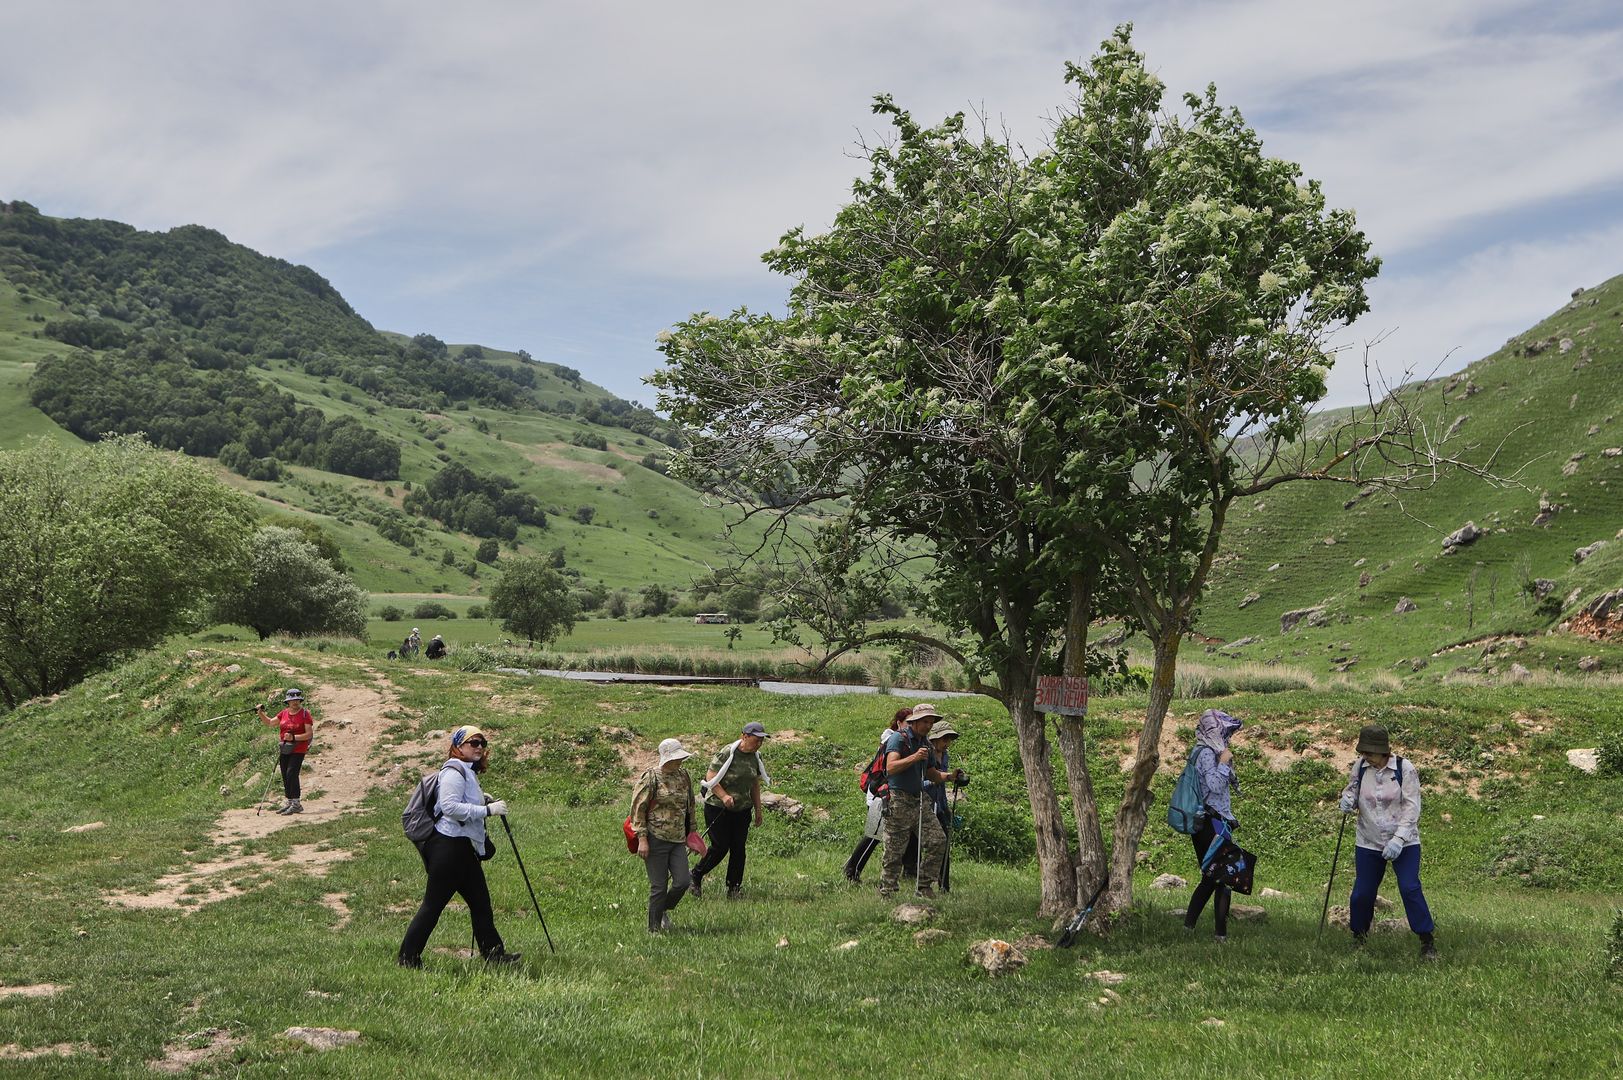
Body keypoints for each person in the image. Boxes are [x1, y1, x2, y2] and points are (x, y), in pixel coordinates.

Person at [398, 725, 520, 968]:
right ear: (458, 746)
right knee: (433, 906)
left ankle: (494, 955)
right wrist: (487, 810)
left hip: (463, 849)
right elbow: (451, 808)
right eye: (472, 743)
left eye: (481, 743)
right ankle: (407, 958)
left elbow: (458, 803)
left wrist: (480, 800)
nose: (478, 747)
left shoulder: (466, 771)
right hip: (449, 848)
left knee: (481, 903)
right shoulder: (454, 770)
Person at [1339, 724, 1437, 959]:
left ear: (1383, 752)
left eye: (1370, 753)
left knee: (1409, 887)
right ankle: (1359, 938)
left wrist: (1399, 838)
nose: (1366, 757)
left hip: (1404, 842)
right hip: (1369, 840)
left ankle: (1427, 940)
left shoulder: (1405, 768)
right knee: (1362, 893)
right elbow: (1352, 791)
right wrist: (1347, 799)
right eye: (1364, 753)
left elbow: (1412, 808)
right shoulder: (1361, 768)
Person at [878, 703, 954, 898]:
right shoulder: (898, 738)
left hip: (919, 800)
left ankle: (924, 886)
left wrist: (950, 776)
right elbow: (891, 767)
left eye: (931, 722)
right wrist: (913, 758)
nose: (928, 726)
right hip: (898, 799)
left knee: (938, 840)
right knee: (894, 850)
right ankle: (888, 891)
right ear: (914, 721)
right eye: (925, 721)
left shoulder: (926, 744)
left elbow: (931, 774)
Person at [692, 722, 771, 900]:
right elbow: (710, 777)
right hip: (718, 808)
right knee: (720, 847)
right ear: (744, 736)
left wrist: (758, 809)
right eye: (756, 739)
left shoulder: (756, 757)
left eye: (761, 740)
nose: (758, 743)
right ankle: (696, 875)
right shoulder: (727, 752)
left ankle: (734, 888)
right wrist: (724, 796)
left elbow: (754, 784)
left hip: (742, 809)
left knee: (738, 849)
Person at [1184, 708, 1242, 941]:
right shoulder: (1207, 753)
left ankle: (1199, 928)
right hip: (1211, 823)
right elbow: (1215, 785)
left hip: (1218, 821)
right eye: (1223, 731)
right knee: (1218, 878)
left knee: (1216, 878)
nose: (1226, 737)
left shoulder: (1209, 750)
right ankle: (1215, 933)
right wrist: (1225, 762)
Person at [630, 738, 698, 933]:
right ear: (666, 758)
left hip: (677, 838)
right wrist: (642, 839)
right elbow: (638, 809)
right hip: (655, 838)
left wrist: (692, 833)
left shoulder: (684, 776)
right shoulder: (650, 778)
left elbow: (690, 805)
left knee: (683, 882)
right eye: (676, 759)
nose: (680, 762)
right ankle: (653, 929)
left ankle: (662, 910)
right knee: (658, 887)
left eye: (681, 758)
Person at [923, 719, 968, 892]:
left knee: (945, 841)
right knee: (932, 843)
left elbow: (943, 777)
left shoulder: (946, 755)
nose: (947, 743)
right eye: (944, 739)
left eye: (949, 739)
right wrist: (936, 780)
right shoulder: (926, 754)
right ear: (934, 739)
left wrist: (952, 778)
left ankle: (944, 885)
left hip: (940, 803)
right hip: (925, 804)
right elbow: (919, 780)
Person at [256, 688, 313, 814]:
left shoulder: (305, 714)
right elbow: (270, 723)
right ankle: (290, 801)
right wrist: (260, 713)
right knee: (285, 774)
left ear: (300, 700)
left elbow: (308, 734)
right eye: (292, 700)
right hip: (285, 748)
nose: (295, 702)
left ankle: (296, 803)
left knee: (292, 773)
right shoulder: (284, 713)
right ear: (288, 702)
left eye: (297, 700)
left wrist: (294, 737)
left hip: (299, 748)